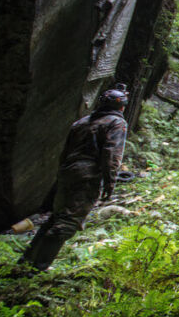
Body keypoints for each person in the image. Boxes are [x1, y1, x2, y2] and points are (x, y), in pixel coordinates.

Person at [19, 85, 129, 271]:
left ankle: (25, 262)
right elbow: (111, 154)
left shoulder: (82, 122)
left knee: (56, 217)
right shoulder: (116, 123)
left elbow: (65, 152)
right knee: (68, 222)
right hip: (87, 175)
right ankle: (38, 268)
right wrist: (110, 182)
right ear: (121, 107)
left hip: (67, 172)